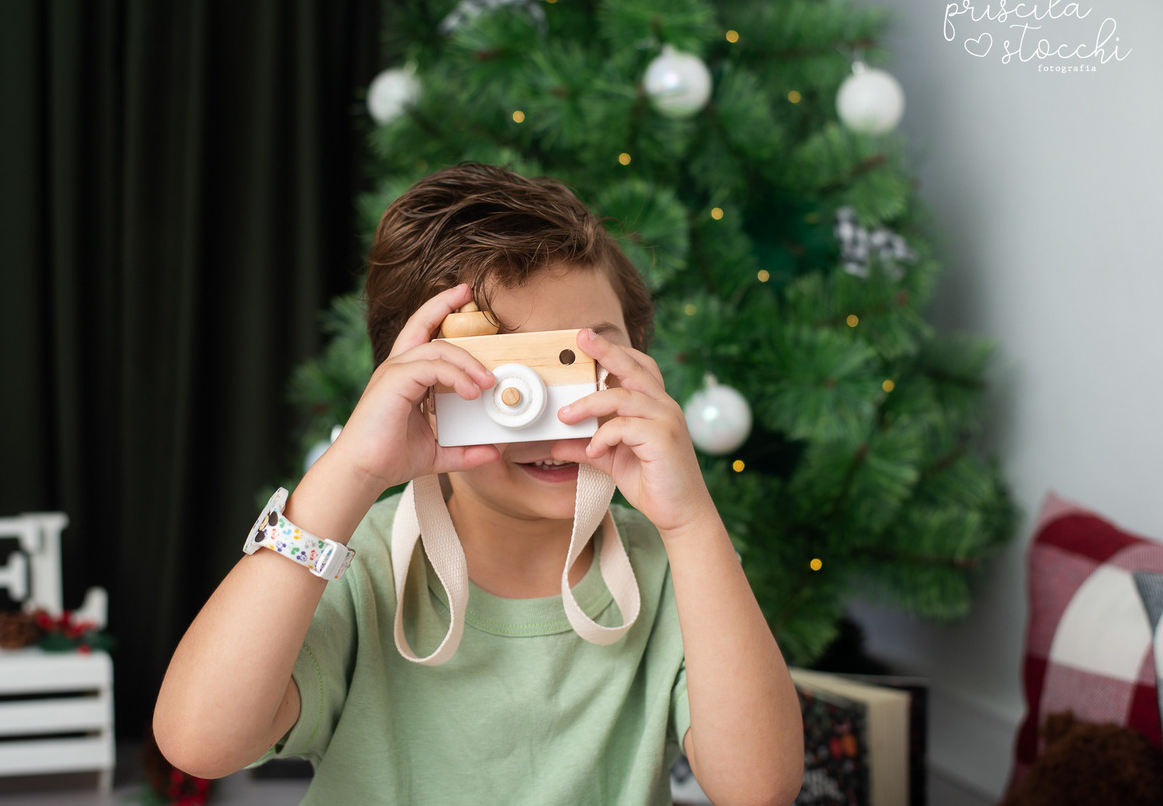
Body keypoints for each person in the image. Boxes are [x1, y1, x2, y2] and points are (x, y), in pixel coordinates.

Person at [153, 163, 803, 805]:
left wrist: (691, 523)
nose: (559, 417)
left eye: (585, 363)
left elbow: (760, 788)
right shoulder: (359, 566)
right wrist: (353, 470)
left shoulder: (674, 568)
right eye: (507, 380)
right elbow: (200, 741)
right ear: (422, 389)